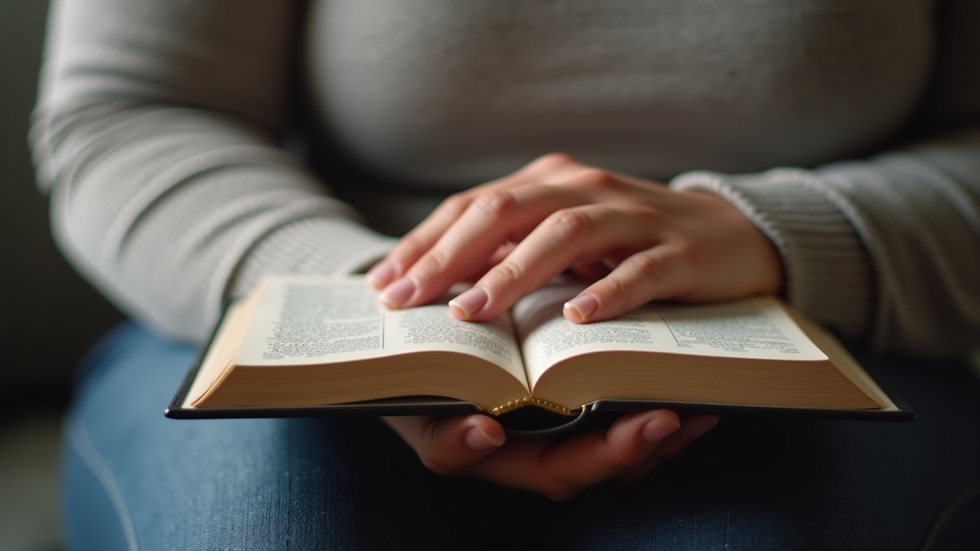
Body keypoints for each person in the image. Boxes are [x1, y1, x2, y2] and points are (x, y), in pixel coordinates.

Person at [31, 0, 980, 549]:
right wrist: (374, 319)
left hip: (807, 337)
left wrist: (779, 232)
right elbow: (129, 115)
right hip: (304, 296)